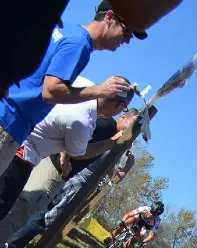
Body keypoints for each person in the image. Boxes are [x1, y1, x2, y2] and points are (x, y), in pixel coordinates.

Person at [0, 2, 144, 180]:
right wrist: (99, 91)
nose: (128, 38)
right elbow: (50, 91)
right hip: (10, 121)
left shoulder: (68, 30)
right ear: (109, 17)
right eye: (127, 30)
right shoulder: (80, 44)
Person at [1, 109, 137, 248]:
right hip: (58, 171)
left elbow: (112, 176)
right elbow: (73, 139)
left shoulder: (113, 138)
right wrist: (64, 159)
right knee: (32, 210)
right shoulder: (105, 126)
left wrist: (126, 161)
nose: (133, 132)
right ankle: (9, 244)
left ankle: (7, 243)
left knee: (31, 210)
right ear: (123, 117)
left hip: (64, 178)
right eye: (133, 125)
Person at [0, 76, 131, 226]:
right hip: (23, 152)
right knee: (3, 205)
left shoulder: (82, 83)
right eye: (124, 109)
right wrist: (113, 142)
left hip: (12, 128)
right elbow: (80, 153)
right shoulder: (83, 122)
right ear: (121, 105)